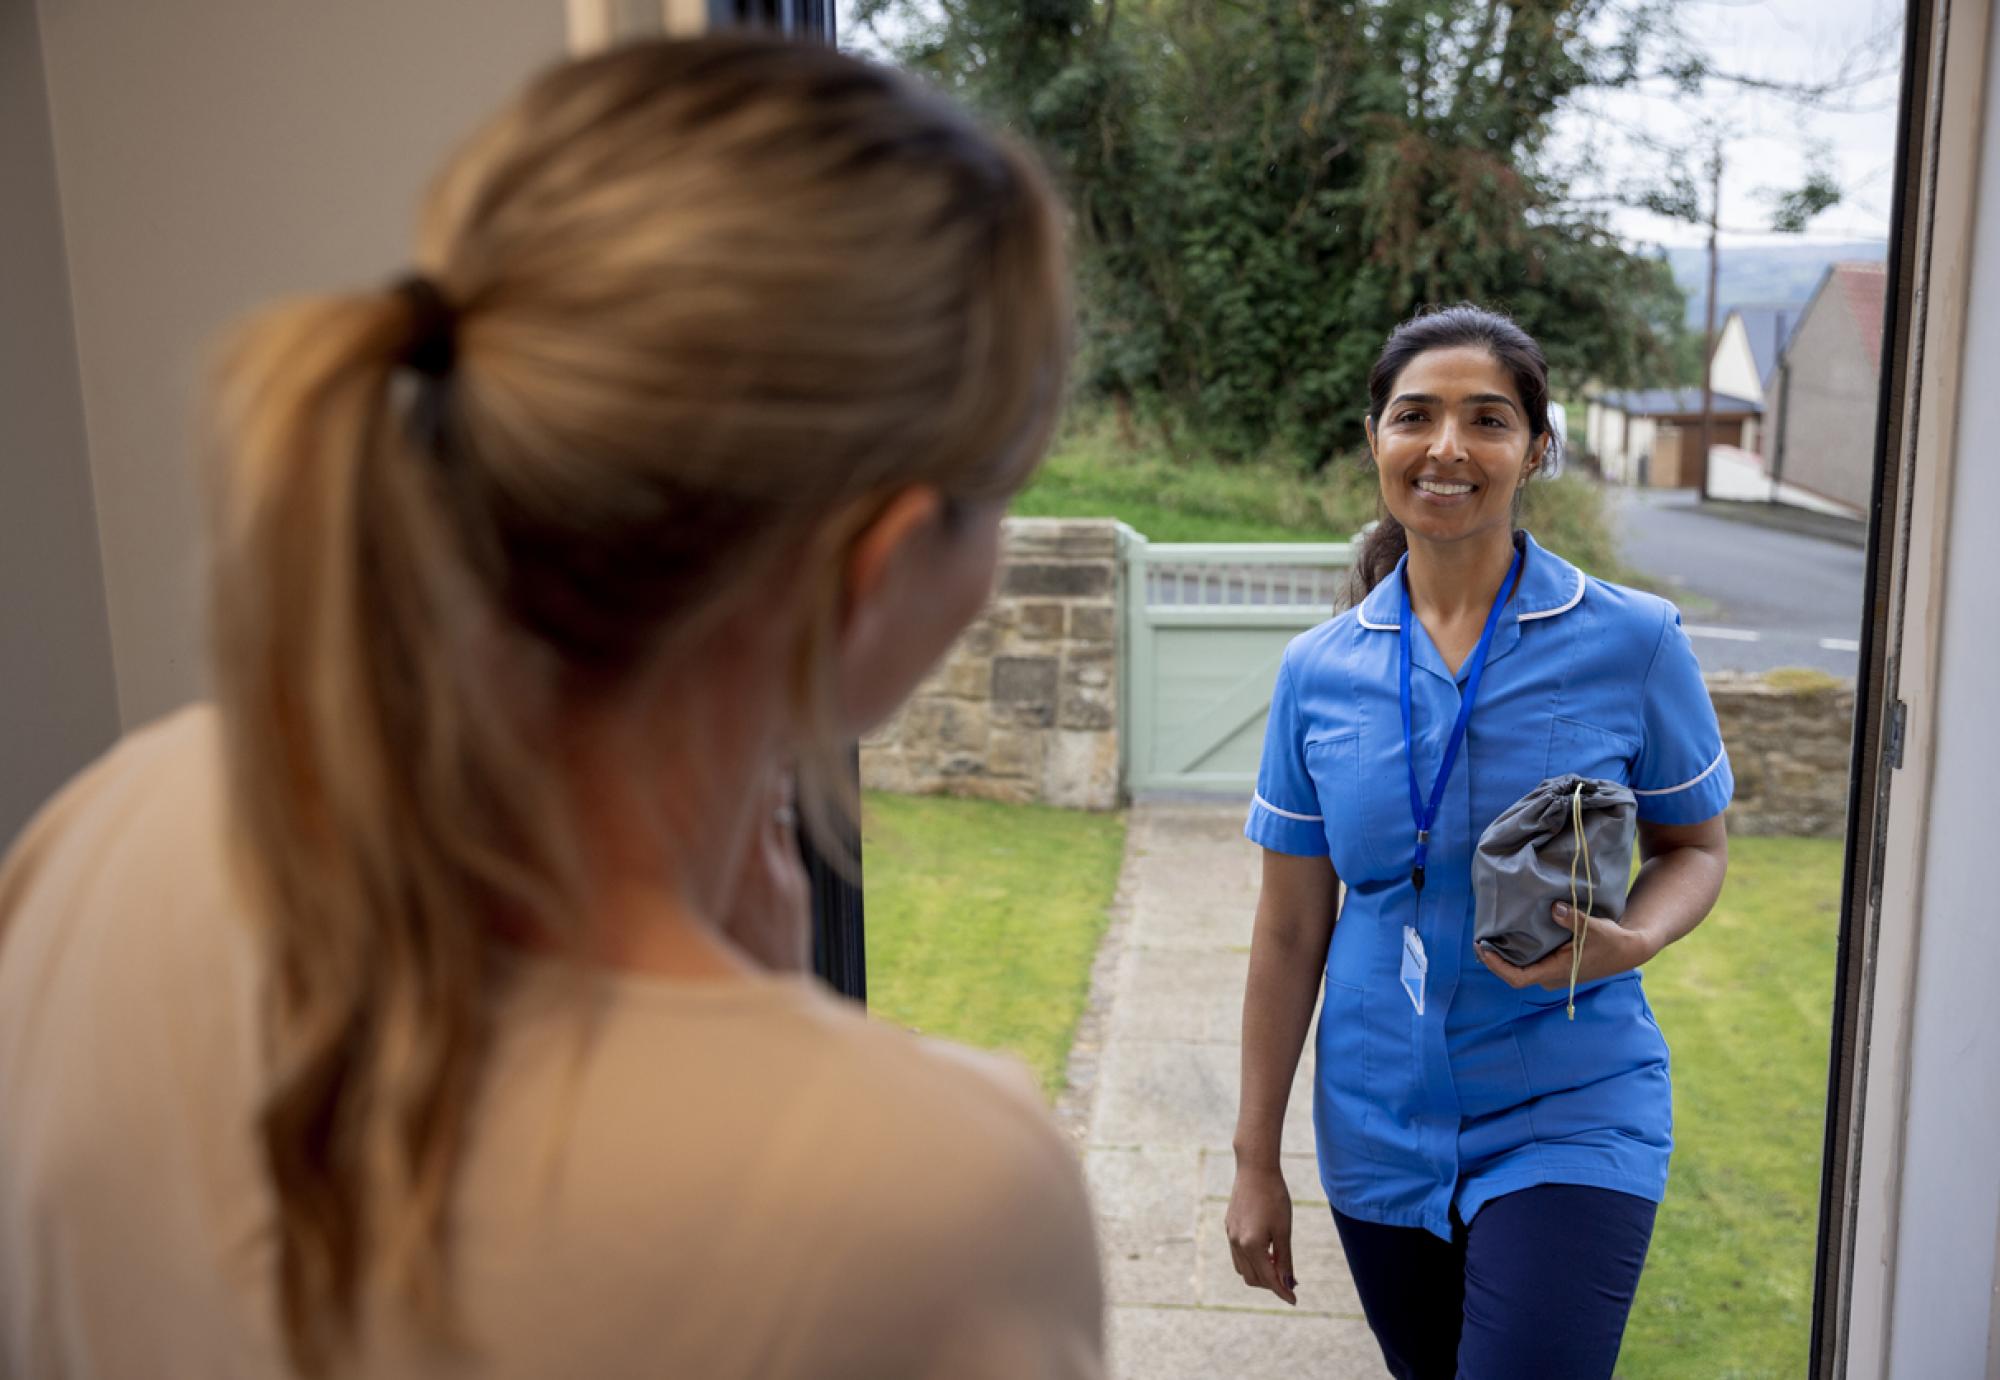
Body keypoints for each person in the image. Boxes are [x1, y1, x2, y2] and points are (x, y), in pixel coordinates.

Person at [0, 34, 1103, 1380]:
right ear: (873, 570)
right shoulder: (938, 1199)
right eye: (998, 498)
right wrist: (785, 1056)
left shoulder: (101, 830)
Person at [1223, 305, 1732, 1378]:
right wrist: (1254, 1162)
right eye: (1415, 416)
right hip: (1375, 1121)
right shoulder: (1317, 673)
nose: (1446, 446)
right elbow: (1286, 935)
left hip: (1572, 1104)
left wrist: (1632, 939)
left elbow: (1694, 848)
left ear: (1534, 449)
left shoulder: (1632, 641)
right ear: (1375, 440)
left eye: (1486, 419)